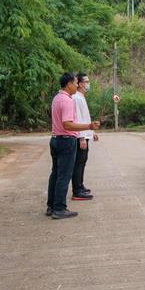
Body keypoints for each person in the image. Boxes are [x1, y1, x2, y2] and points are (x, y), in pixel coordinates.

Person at [47, 72, 100, 220]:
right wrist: (89, 126)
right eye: (76, 83)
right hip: (66, 140)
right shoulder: (68, 100)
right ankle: (59, 208)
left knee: (55, 174)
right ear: (69, 84)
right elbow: (67, 124)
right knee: (64, 175)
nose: (77, 85)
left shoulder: (57, 98)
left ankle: (51, 206)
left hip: (56, 139)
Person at [71, 73, 99, 201]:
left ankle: (80, 186)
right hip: (80, 136)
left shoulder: (81, 97)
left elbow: (85, 118)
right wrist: (82, 137)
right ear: (80, 84)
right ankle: (77, 190)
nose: (88, 84)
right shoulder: (76, 98)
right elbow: (77, 118)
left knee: (82, 162)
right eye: (86, 81)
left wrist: (92, 132)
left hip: (85, 133)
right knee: (79, 163)